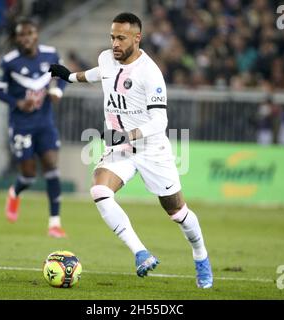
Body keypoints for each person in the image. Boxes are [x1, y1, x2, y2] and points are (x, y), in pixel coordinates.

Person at [49, 12, 213, 288]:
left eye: (121, 38)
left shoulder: (150, 74)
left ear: (137, 38)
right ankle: (141, 253)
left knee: (177, 212)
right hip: (119, 148)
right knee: (100, 191)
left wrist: (126, 134)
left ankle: (201, 256)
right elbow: (98, 74)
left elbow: (161, 121)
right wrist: (69, 77)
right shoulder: (106, 58)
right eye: (112, 37)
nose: (115, 43)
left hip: (151, 148)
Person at [0, 18, 67, 238]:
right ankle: (15, 192)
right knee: (29, 175)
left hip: (45, 122)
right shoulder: (9, 62)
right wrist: (17, 103)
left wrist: (57, 92)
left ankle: (54, 223)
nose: (25, 38)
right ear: (16, 38)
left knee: (52, 167)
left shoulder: (51, 54)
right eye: (21, 35)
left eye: (30, 33)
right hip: (21, 124)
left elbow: (63, 75)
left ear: (37, 34)